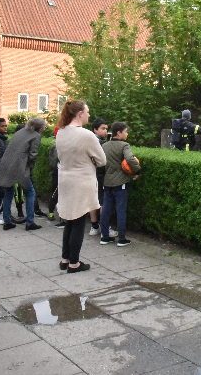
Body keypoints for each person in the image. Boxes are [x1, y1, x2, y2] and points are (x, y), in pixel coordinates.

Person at [56, 100, 106, 273]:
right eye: (87, 112)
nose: (89, 115)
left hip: (65, 179)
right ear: (80, 114)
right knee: (78, 222)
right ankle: (74, 263)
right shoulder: (86, 135)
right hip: (82, 181)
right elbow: (102, 160)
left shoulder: (61, 132)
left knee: (70, 219)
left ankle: (65, 259)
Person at [0, 118, 46, 231]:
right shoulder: (36, 136)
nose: (44, 128)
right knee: (30, 192)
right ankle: (30, 222)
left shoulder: (20, 132)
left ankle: (7, 222)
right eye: (44, 127)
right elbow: (33, 155)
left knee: (8, 191)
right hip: (20, 168)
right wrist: (29, 168)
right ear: (39, 127)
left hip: (6, 165)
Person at [100, 121, 141, 247]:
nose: (127, 134)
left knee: (106, 210)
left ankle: (105, 237)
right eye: (126, 131)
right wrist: (137, 170)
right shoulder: (124, 145)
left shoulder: (104, 145)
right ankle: (122, 239)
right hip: (121, 182)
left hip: (107, 182)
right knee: (121, 210)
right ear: (119, 132)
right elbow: (129, 159)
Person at [90, 117, 113, 236]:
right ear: (95, 129)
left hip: (89, 174)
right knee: (103, 201)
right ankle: (105, 228)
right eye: (103, 128)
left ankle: (94, 226)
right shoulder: (99, 143)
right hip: (99, 175)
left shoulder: (88, 140)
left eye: (106, 129)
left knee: (92, 200)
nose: (105, 131)